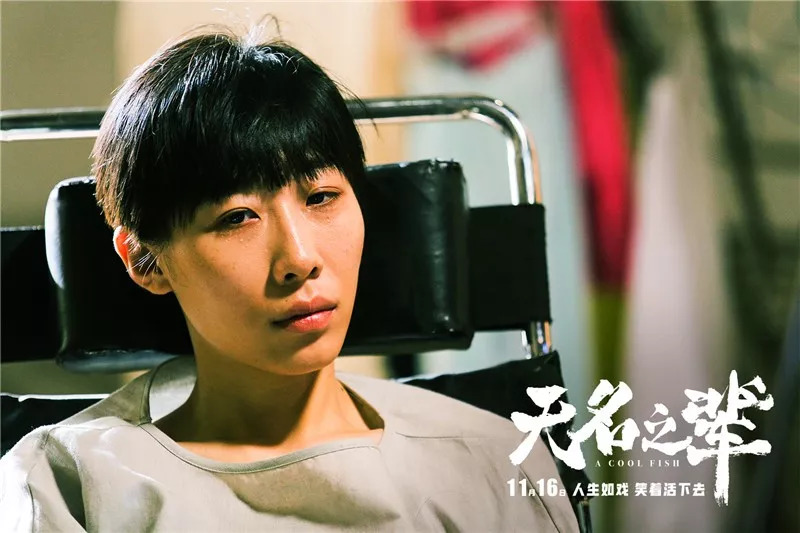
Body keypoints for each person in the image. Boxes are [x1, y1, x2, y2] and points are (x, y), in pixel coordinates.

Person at [0, 27, 579, 532]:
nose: (299, 258)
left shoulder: (492, 461)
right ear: (146, 261)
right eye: (236, 218)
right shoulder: (66, 483)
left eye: (321, 197)